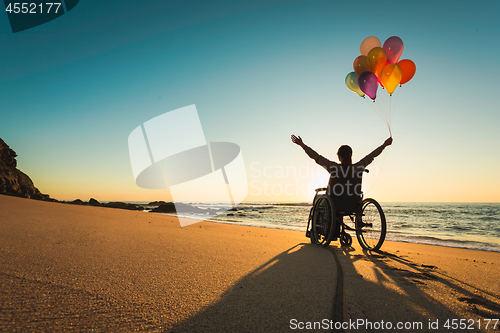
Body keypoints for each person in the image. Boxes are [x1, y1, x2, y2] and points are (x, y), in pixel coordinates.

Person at [291, 134, 392, 236]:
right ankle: (354, 224)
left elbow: (316, 157)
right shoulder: (358, 167)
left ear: (339, 156)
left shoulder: (333, 167)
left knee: (318, 200)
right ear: (350, 155)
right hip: (353, 204)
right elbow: (371, 156)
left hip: (334, 203)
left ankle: (316, 231)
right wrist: (384, 145)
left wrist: (302, 145)